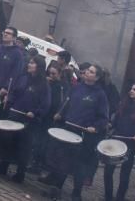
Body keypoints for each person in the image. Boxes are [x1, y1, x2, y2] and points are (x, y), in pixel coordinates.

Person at [41, 62, 110, 201]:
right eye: (87, 71)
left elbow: (103, 118)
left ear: (96, 78)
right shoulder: (76, 88)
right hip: (69, 129)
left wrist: (94, 127)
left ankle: (76, 193)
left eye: (91, 72)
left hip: (84, 134)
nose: (87, 73)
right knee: (63, 161)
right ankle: (56, 189)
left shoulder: (100, 95)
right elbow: (66, 103)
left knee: (80, 165)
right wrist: (60, 113)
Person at [0, 57, 51, 183]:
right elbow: (14, 91)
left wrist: (35, 113)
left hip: (29, 120)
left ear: (39, 67)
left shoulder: (44, 85)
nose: (29, 65)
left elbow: (45, 104)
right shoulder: (23, 78)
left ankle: (20, 173)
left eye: (32, 63)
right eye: (29, 62)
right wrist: (9, 98)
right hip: (15, 114)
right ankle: (4, 165)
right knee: (9, 140)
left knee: (24, 146)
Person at [105, 82, 135, 201]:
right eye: (131, 89)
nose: (131, 91)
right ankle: (108, 197)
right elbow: (115, 122)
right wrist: (109, 125)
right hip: (117, 141)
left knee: (124, 175)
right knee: (107, 172)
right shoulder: (123, 105)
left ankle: (119, 198)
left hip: (130, 145)